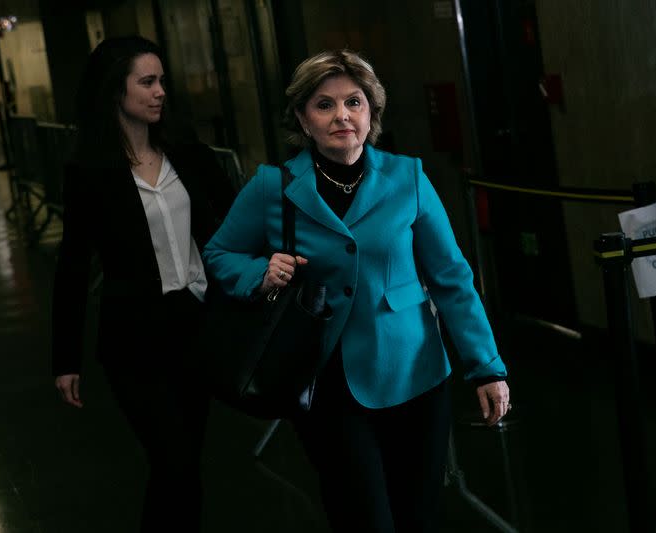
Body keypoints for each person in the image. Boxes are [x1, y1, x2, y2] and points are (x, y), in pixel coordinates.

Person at [202, 49, 511, 533]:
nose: (342, 115)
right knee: (364, 519)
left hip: (414, 377)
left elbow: (452, 277)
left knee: (420, 517)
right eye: (324, 105)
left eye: (354, 102)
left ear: (372, 112)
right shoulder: (273, 186)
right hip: (326, 383)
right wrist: (261, 271)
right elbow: (220, 253)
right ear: (303, 119)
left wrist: (486, 367)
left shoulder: (407, 178)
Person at [51, 36, 232, 532]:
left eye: (162, 82)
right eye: (147, 82)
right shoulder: (90, 171)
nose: (160, 93)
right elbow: (72, 264)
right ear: (116, 90)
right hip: (134, 341)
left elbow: (236, 224)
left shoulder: (189, 156)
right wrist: (66, 357)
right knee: (171, 460)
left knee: (186, 466)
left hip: (194, 327)